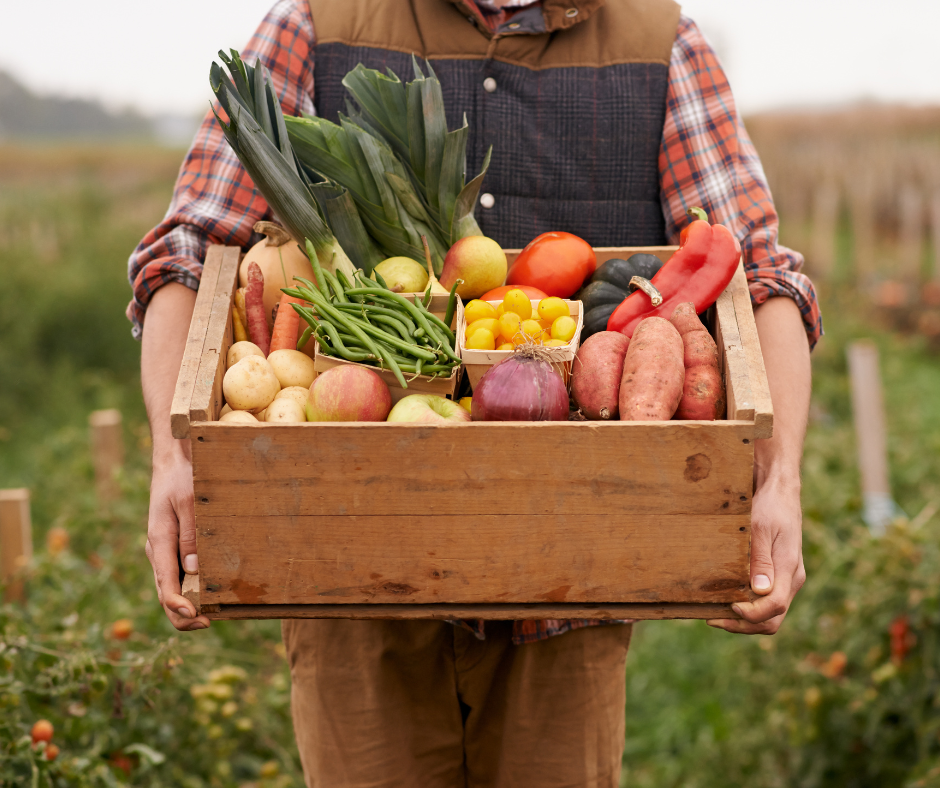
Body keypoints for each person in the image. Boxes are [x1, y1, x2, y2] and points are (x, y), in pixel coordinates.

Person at [130, 0, 820, 784]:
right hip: (354, 576)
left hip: (575, 583)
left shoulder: (659, 40)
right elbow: (189, 255)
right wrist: (173, 454)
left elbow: (761, 279)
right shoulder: (314, 24)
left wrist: (779, 478)